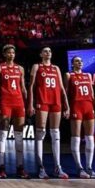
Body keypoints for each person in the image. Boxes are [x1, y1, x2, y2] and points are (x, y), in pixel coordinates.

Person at [28, 47, 70, 179]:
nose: (48, 53)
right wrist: (30, 104)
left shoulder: (56, 68)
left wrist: (67, 105)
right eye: (45, 51)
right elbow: (31, 86)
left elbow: (62, 88)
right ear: (41, 54)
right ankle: (41, 167)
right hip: (43, 101)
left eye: (50, 51)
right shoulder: (37, 66)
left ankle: (58, 167)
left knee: (55, 133)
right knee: (40, 132)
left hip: (56, 102)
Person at [0, 45, 29, 179]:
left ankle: (20, 167)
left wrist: (28, 104)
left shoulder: (20, 68)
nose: (11, 54)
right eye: (8, 52)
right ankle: (1, 167)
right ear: (4, 54)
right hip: (5, 102)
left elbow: (23, 88)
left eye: (13, 52)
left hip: (19, 103)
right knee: (3, 133)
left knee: (19, 135)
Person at [64, 56, 95, 178]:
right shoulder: (69, 75)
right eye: (77, 61)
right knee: (76, 137)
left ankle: (89, 167)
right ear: (72, 64)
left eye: (81, 61)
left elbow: (92, 95)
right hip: (76, 107)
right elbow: (65, 93)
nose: (80, 62)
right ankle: (79, 167)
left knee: (90, 138)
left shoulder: (88, 75)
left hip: (89, 107)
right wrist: (67, 108)